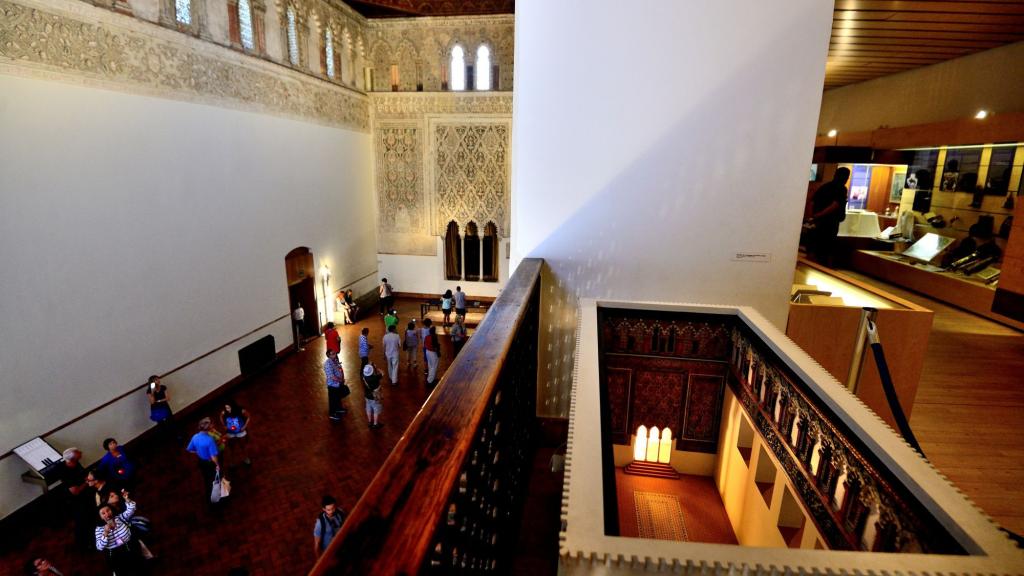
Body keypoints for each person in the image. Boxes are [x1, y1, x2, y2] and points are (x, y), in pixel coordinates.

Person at [807, 167, 849, 267]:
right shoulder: (842, 188)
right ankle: (825, 267)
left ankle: (814, 264)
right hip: (830, 221)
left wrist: (812, 216)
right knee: (828, 244)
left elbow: (812, 202)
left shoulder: (825, 186)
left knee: (817, 242)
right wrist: (820, 214)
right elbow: (835, 205)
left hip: (818, 220)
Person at [94, 491, 145, 575]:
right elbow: (99, 547)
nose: (107, 514)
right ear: (100, 517)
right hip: (116, 554)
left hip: (130, 547)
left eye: (108, 510)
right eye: (103, 513)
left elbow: (131, 509)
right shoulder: (99, 529)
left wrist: (127, 499)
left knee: (139, 569)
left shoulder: (119, 518)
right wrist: (105, 533)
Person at [60, 447, 94, 551]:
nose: (81, 452)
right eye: (78, 452)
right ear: (73, 459)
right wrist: (87, 482)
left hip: (84, 495)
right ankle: (83, 544)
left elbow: (82, 474)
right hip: (75, 501)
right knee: (82, 521)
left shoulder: (75, 463)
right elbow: (75, 491)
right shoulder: (66, 472)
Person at [186, 417, 221, 506]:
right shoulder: (209, 440)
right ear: (208, 428)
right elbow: (213, 457)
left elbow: (190, 449)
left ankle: (209, 498)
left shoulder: (195, 437)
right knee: (216, 480)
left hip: (201, 462)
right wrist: (217, 465)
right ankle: (217, 500)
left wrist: (199, 451)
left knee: (207, 480)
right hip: (210, 463)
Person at [220, 400, 252, 466]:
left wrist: (244, 426)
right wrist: (224, 425)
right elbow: (220, 416)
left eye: (228, 408)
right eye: (226, 408)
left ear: (233, 407)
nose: (227, 409)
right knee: (231, 448)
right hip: (230, 433)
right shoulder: (224, 412)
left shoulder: (241, 410)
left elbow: (248, 417)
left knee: (243, 446)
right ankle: (232, 461)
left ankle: (246, 458)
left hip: (240, 432)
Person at [323, 349, 348, 421]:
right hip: (332, 385)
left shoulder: (335, 360)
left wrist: (341, 378)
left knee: (338, 398)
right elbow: (332, 376)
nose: (335, 354)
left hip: (338, 384)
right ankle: (332, 414)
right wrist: (340, 380)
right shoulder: (327, 364)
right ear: (328, 355)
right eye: (333, 354)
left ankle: (338, 409)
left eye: (334, 353)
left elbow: (339, 368)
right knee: (332, 400)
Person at [362, 363, 383, 429]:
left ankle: (370, 422)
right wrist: (376, 368)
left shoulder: (364, 376)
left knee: (368, 407)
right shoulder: (375, 378)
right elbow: (382, 373)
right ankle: (375, 424)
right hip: (374, 396)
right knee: (375, 409)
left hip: (367, 395)